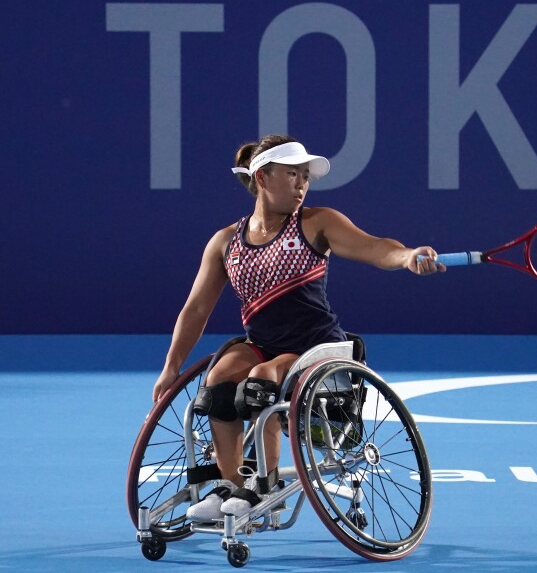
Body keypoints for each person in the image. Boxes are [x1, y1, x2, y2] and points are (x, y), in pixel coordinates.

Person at [151, 134, 443, 521]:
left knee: (261, 380)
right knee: (217, 381)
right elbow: (196, 309)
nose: (302, 184)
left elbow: (374, 247)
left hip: (317, 347)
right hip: (264, 343)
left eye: (305, 176)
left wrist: (407, 256)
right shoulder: (226, 242)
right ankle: (230, 486)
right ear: (263, 176)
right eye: (293, 175)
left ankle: (265, 485)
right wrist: (172, 366)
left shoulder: (317, 223)